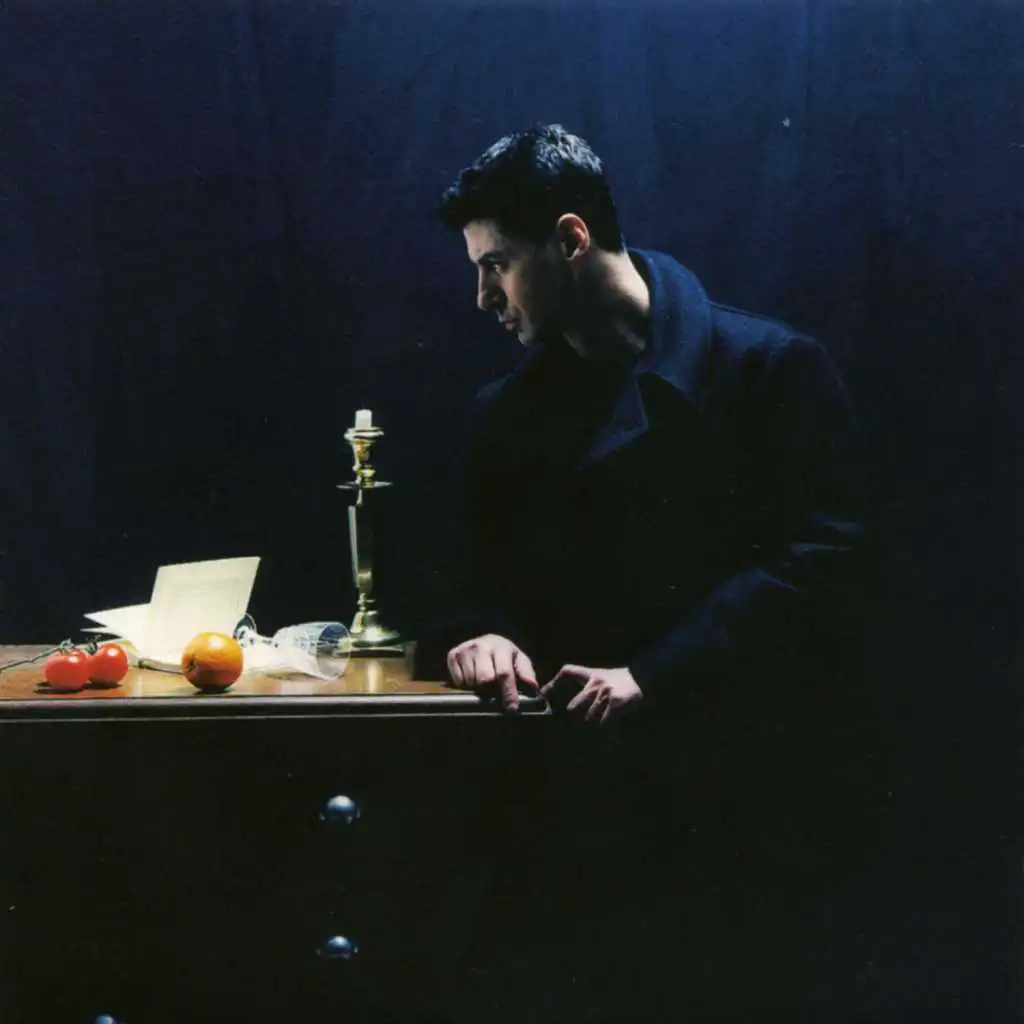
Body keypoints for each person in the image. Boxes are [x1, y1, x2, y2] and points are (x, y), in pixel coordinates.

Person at [414, 124, 880, 1021]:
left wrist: (655, 674)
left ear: (571, 238)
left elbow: (830, 566)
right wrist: (477, 631)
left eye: (496, 265)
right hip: (578, 833)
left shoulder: (771, 368)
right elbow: (455, 576)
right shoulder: (502, 413)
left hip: (747, 821)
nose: (481, 297)